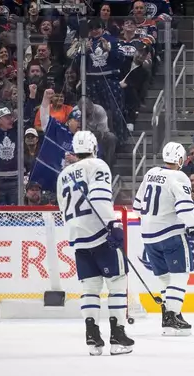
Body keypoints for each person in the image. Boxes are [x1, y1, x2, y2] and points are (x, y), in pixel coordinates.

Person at [55, 131, 133, 356]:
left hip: (77, 236)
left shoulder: (63, 175)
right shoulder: (98, 165)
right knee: (117, 283)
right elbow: (99, 197)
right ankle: (118, 337)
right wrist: (113, 224)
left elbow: (62, 208)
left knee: (90, 288)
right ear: (94, 147)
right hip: (99, 232)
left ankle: (92, 337)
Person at [133, 142, 194, 336]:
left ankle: (171, 315)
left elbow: (137, 207)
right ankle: (171, 316)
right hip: (170, 234)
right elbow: (185, 207)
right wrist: (193, 225)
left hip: (148, 236)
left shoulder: (150, 173)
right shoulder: (179, 176)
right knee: (180, 275)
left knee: (165, 279)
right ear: (180, 159)